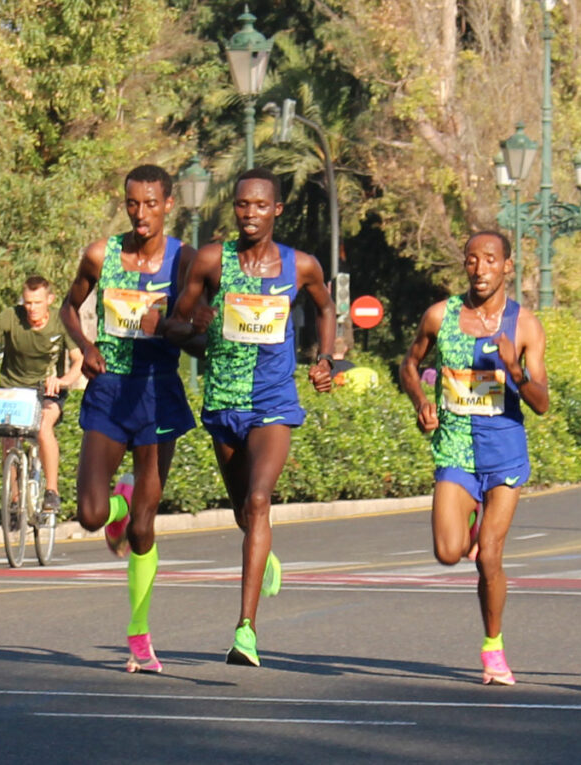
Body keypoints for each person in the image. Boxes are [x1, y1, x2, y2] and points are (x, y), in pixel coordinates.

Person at [156, 167, 335, 668]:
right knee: (244, 512)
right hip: (223, 402)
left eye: (259, 205)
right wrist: (196, 322)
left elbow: (326, 308)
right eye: (241, 205)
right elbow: (176, 326)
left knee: (259, 501)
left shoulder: (300, 266)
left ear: (277, 210)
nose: (249, 214)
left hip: (273, 402)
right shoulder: (212, 260)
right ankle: (263, 550)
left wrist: (326, 358)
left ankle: (246, 630)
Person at [59, 164, 196, 674]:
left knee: (143, 527)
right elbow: (69, 307)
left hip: (158, 391)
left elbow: (198, 329)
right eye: (133, 204)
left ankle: (139, 634)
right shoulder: (101, 254)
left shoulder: (184, 260)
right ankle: (117, 501)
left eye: (151, 204)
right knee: (91, 516)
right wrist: (85, 345)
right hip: (111, 387)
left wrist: (175, 328)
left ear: (168, 204)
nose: (141, 214)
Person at [400, 230, 549, 686]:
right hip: (455, 449)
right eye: (471, 259)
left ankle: (493, 647)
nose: (480, 269)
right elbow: (409, 365)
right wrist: (421, 402)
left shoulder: (524, 325)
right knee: (448, 553)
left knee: (490, 557)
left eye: (490, 259)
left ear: (507, 266)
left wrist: (515, 368)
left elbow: (542, 403)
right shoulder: (440, 315)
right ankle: (469, 527)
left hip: (504, 452)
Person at [0, 276, 83, 516]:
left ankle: (52, 491)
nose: (32, 308)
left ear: (49, 300)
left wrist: (63, 381)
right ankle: (14, 499)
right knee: (8, 438)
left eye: (37, 302)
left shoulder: (61, 322)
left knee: (43, 427)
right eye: (28, 302)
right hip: (13, 389)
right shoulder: (11, 316)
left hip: (47, 390)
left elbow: (78, 360)